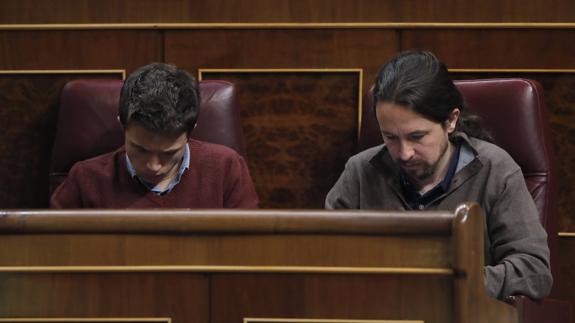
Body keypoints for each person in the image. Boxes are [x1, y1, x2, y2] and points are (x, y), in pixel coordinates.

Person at [325, 51, 552, 300]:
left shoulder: (496, 170)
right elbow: (321, 256)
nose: (404, 153)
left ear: (451, 121)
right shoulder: (360, 171)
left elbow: (534, 272)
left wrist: (447, 284)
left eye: (417, 137)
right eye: (390, 137)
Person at [51, 62, 259, 208]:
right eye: (140, 149)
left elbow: (247, 252)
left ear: (191, 130)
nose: (153, 166)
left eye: (168, 153)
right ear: (122, 125)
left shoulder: (227, 169)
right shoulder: (86, 180)